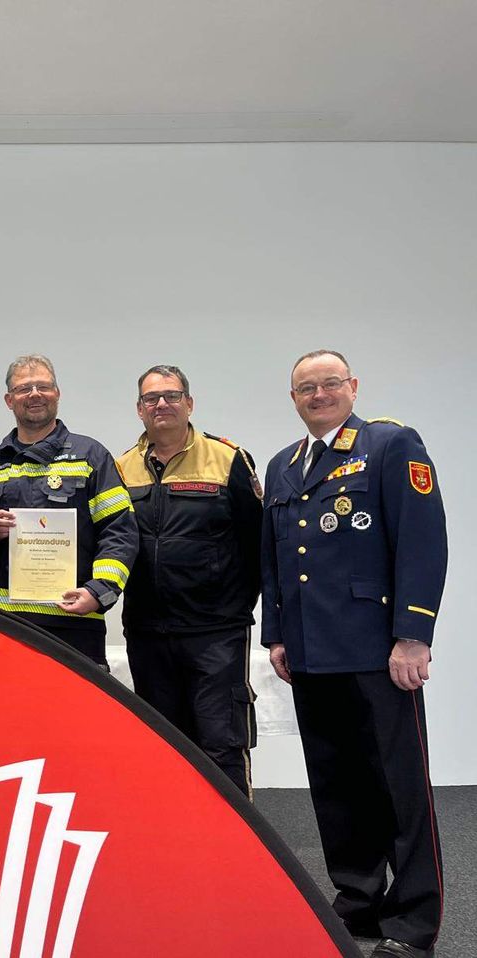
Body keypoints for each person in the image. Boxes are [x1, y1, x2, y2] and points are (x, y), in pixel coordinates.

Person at [261, 349, 446, 958]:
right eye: (306, 388)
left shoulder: (391, 445)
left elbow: (422, 542)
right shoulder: (284, 465)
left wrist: (413, 634)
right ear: (293, 399)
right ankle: (359, 900)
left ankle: (413, 923)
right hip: (313, 653)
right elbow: (279, 561)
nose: (319, 394)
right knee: (336, 789)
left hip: (377, 650)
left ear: (353, 387)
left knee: (399, 788)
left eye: (330, 383)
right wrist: (277, 635)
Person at [115, 364, 263, 796]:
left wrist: (235, 608)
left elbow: (258, 543)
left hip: (214, 632)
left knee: (221, 743)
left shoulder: (227, 459)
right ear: (139, 410)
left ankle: (237, 848)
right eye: (151, 398)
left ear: (189, 404)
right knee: (163, 745)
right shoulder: (122, 468)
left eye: (172, 396)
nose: (161, 404)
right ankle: (174, 847)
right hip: (148, 632)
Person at [0, 355, 137, 668]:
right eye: (24, 389)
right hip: (6, 626)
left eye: (44, 386)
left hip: (75, 625)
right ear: (9, 400)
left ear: (57, 393)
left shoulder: (91, 455)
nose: (35, 394)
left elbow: (119, 530)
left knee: (77, 717)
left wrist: (99, 591)